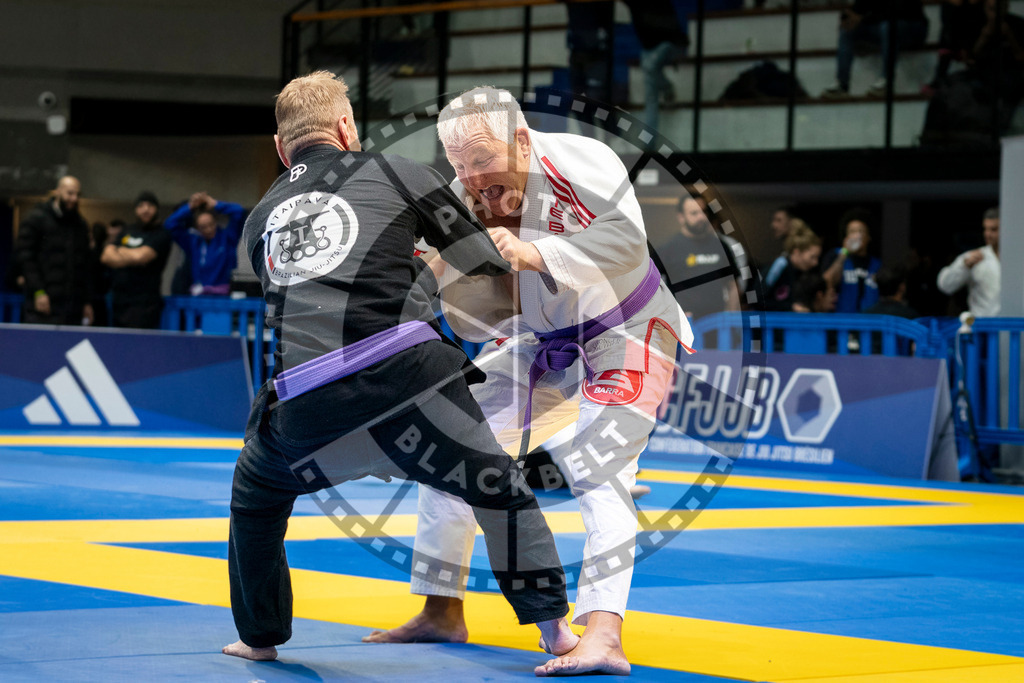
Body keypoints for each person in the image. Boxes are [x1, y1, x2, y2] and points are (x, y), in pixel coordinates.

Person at [223, 72, 576, 666]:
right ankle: (556, 634)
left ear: (282, 150)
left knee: (255, 499)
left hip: (310, 407)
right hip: (411, 384)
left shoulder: (260, 216)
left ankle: (259, 639)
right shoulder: (398, 173)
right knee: (498, 489)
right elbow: (486, 262)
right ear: (346, 128)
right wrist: (427, 258)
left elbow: (304, 295)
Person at [363, 86, 692, 678]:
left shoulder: (578, 161)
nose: (473, 179)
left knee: (600, 469)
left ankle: (604, 634)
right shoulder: (466, 193)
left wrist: (533, 251)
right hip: (547, 344)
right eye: (460, 165)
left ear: (520, 139)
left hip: (632, 327)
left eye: (483, 162)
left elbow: (626, 242)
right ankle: (441, 609)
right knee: (450, 443)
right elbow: (432, 274)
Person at [15, 175, 94, 325]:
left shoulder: (80, 225)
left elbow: (85, 265)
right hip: (43, 304)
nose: (74, 198)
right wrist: (38, 291)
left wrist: (86, 302)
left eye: (77, 194)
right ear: (58, 192)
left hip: (73, 307)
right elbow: (26, 258)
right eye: (70, 193)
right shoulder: (36, 219)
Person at [657, 194, 746, 320]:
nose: (701, 217)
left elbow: (733, 286)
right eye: (694, 213)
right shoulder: (668, 249)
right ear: (681, 217)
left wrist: (730, 318)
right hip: (685, 327)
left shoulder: (721, 246)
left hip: (717, 324)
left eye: (703, 212)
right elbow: (650, 288)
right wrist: (671, 315)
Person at [821, 0, 929, 98]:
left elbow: (901, 12)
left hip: (912, 26)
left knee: (887, 26)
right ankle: (842, 85)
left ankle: (887, 81)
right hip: (882, 25)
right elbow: (858, 9)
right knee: (847, 30)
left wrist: (862, 18)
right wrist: (848, 17)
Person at [101, 191, 172, 329]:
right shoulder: (127, 230)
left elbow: (141, 257)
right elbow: (106, 256)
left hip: (145, 304)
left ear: (156, 208)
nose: (145, 209)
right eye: (141, 205)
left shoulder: (161, 233)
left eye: (150, 205)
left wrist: (120, 251)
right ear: (136, 209)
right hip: (120, 302)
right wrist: (132, 255)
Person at [622, 0, 689, 134]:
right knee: (650, 92)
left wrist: (679, 48)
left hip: (668, 45)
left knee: (649, 67)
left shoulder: (662, 5)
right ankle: (649, 145)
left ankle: (667, 88)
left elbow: (673, 29)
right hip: (648, 49)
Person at [164, 192, 246, 295]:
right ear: (197, 228)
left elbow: (239, 211)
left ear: (215, 222)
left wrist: (215, 204)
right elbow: (169, 224)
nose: (208, 229)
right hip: (198, 296)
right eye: (203, 227)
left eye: (211, 224)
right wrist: (190, 207)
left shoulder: (228, 238)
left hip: (223, 296)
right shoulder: (193, 242)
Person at [937, 207, 1000, 316]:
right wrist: (964, 266)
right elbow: (945, 285)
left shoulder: (1018, 259)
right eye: (985, 229)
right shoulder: (973, 257)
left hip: (1015, 326)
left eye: (993, 229)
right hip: (981, 326)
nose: (987, 234)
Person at [821, 209, 882, 313]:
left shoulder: (876, 264)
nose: (856, 236)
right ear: (846, 236)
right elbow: (827, 281)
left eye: (861, 231)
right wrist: (844, 253)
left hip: (868, 323)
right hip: (842, 322)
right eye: (852, 232)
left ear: (868, 237)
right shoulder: (836, 254)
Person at [765, 223, 822, 311]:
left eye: (817, 258)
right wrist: (791, 307)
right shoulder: (780, 265)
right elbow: (759, 299)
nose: (815, 263)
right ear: (797, 252)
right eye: (812, 257)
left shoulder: (802, 273)